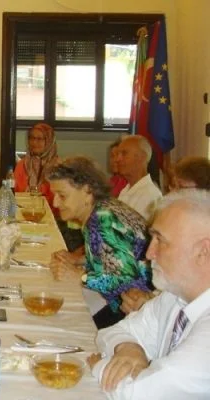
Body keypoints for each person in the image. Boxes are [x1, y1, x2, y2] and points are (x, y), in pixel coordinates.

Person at [87, 189, 210, 399]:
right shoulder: (175, 298)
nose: (149, 253)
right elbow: (111, 332)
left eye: (160, 240)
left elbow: (140, 393)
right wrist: (129, 349)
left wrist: (99, 365)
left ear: (203, 251)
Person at [46, 157, 152, 329]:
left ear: (87, 191)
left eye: (62, 195)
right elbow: (113, 256)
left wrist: (81, 277)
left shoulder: (104, 219)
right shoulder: (102, 209)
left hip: (141, 313)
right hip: (127, 307)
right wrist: (80, 260)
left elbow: (126, 280)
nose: (55, 202)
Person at [115, 135, 162, 220]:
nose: (118, 159)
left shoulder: (150, 195)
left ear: (142, 157)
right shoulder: (125, 190)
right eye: (118, 154)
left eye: (124, 154)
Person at [13, 122, 59, 204]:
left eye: (39, 139)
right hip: (23, 208)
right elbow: (14, 192)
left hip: (50, 210)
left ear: (49, 141)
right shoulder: (22, 164)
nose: (34, 142)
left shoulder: (58, 167)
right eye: (31, 138)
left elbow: (58, 197)